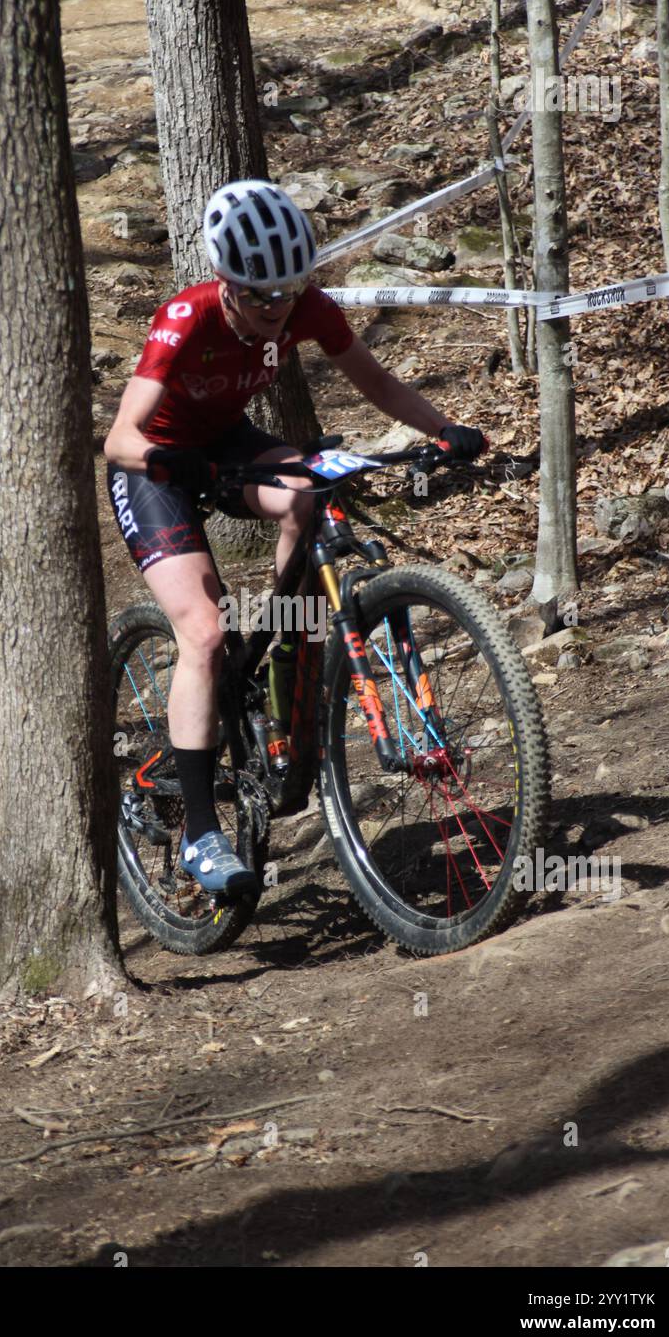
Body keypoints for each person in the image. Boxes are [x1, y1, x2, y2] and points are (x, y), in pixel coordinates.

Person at [104, 179, 485, 902]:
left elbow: (376, 382)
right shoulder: (184, 318)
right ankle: (198, 831)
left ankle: (289, 643)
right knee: (206, 634)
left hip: (227, 445)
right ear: (227, 282)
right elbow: (119, 437)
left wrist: (441, 430)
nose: (277, 309)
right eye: (260, 296)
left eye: (288, 292)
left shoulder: (306, 307)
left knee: (310, 496)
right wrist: (161, 460)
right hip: (154, 470)